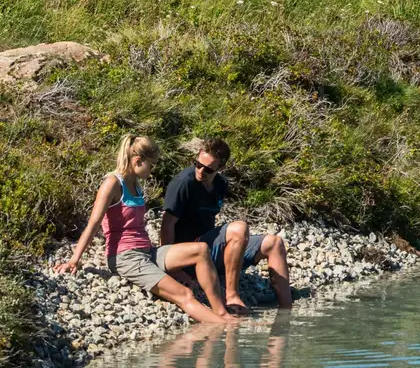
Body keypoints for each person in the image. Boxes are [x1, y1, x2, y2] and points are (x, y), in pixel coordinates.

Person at [54, 135, 237, 325]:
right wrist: (74, 260)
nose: (152, 170)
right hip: (126, 257)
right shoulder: (112, 184)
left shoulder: (136, 184)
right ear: (137, 161)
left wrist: (177, 269)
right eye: (151, 165)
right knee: (185, 294)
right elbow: (94, 223)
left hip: (148, 252)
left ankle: (221, 313)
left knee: (201, 250)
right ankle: (227, 329)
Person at [160, 137, 292, 313]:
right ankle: (232, 296)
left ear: (220, 168)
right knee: (239, 228)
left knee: (274, 243)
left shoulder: (221, 184)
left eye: (207, 169)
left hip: (210, 252)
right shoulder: (183, 183)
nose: (200, 171)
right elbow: (167, 225)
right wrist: (173, 268)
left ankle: (286, 312)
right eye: (197, 164)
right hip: (189, 255)